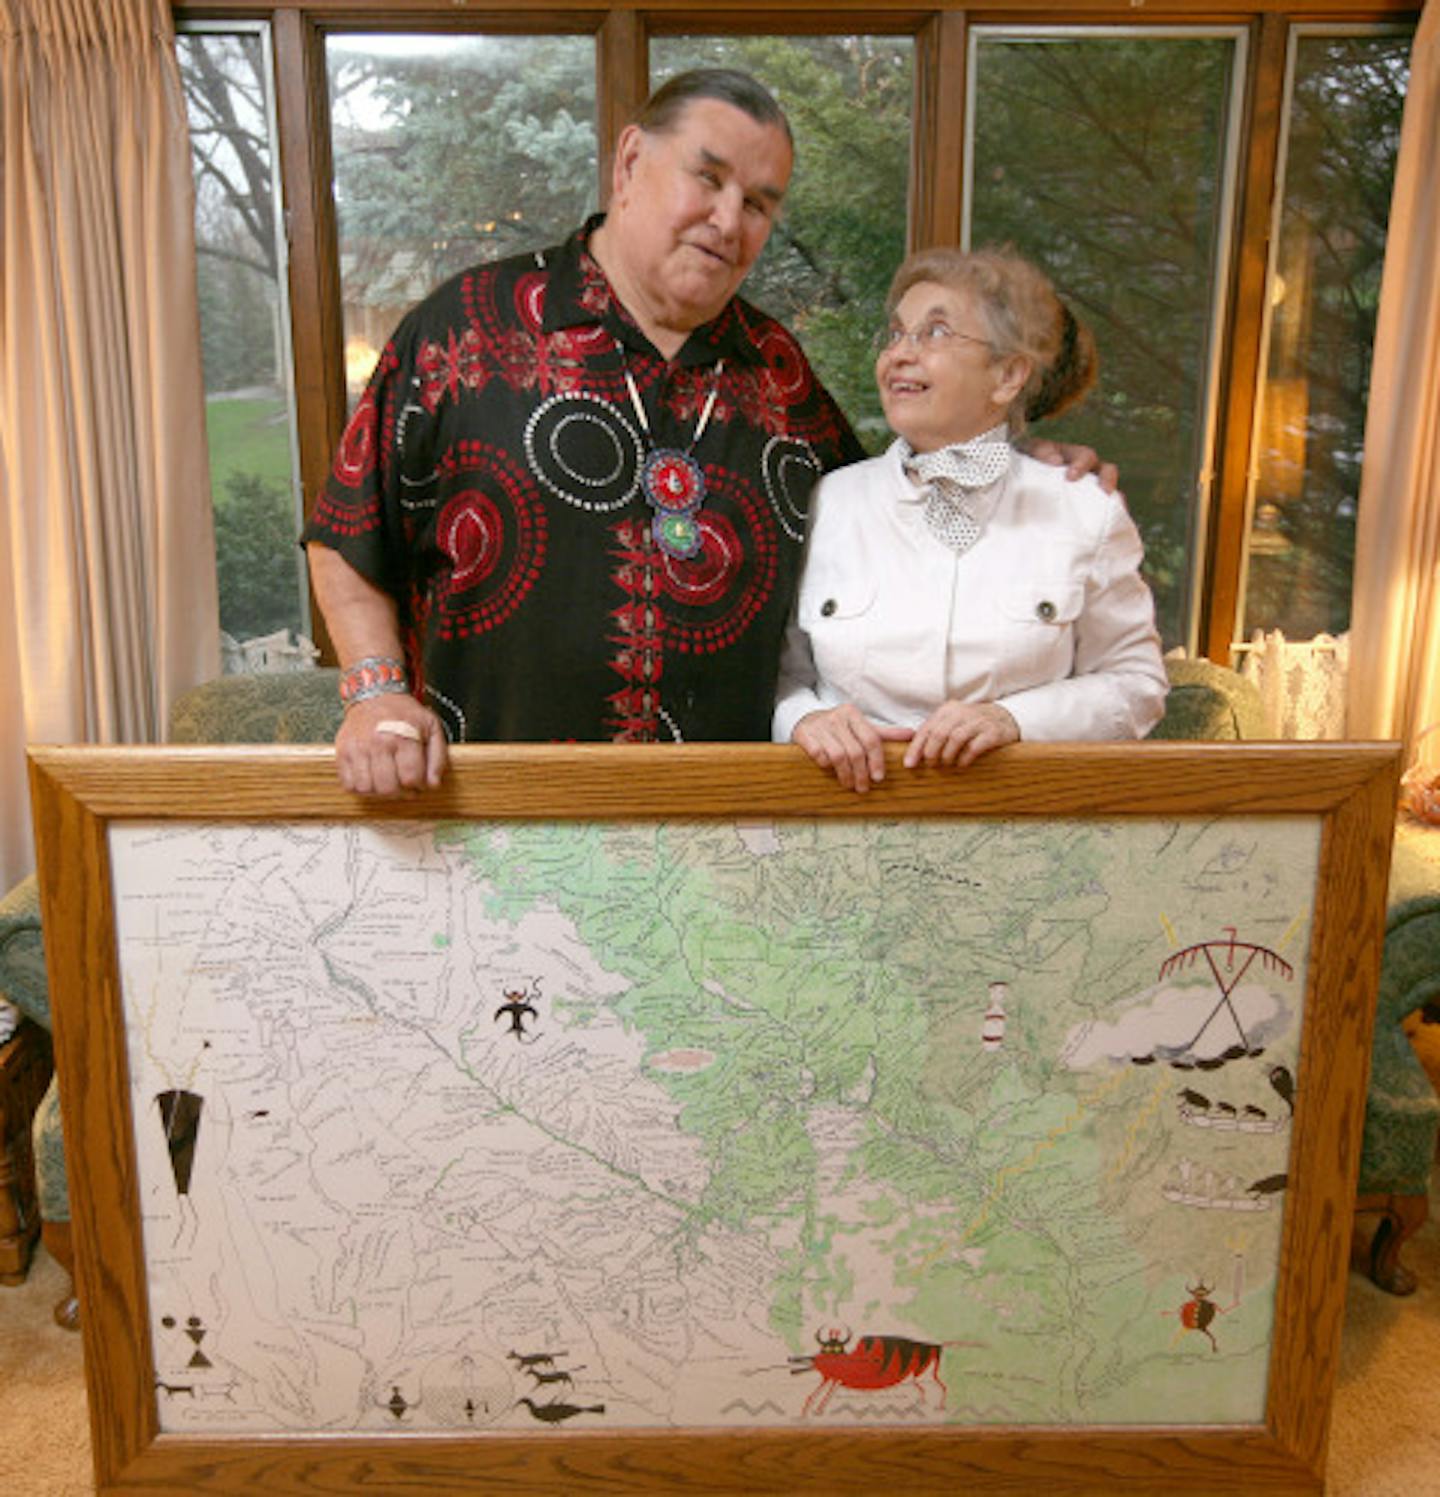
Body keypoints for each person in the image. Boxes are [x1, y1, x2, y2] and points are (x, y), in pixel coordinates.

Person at [304, 70, 1111, 796]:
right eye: (709, 177)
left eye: (759, 203)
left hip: (728, 838)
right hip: (500, 820)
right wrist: (375, 691)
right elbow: (349, 526)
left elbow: (896, 509)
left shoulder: (780, 374)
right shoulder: (465, 329)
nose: (730, 219)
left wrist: (1014, 461)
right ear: (629, 164)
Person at [773, 245, 1168, 792]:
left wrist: (1015, 721)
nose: (900, 355)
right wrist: (802, 720)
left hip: (1018, 830)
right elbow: (780, 675)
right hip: (846, 821)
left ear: (1007, 376)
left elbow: (1137, 684)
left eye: (934, 333)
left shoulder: (1086, 511)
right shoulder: (825, 502)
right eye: (895, 334)